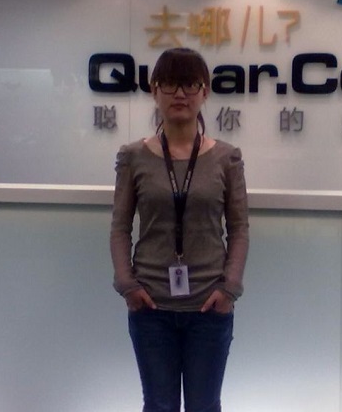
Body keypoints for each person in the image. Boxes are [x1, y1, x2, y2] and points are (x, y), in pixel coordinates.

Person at [109, 47, 249, 412]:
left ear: (205, 92)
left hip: (209, 305)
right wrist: (127, 285)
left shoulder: (227, 158)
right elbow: (120, 227)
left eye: (190, 84)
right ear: (154, 90)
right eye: (170, 84)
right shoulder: (133, 156)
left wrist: (229, 288)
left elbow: (239, 228)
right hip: (151, 306)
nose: (180, 94)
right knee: (159, 405)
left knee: (204, 406)